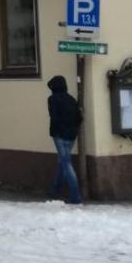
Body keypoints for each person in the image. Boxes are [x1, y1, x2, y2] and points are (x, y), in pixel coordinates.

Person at [46, 75, 83, 204]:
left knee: (66, 163)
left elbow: (53, 116)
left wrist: (56, 131)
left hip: (59, 135)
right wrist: (73, 128)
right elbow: (79, 117)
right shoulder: (72, 99)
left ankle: (75, 195)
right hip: (71, 135)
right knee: (62, 161)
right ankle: (55, 189)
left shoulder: (52, 99)